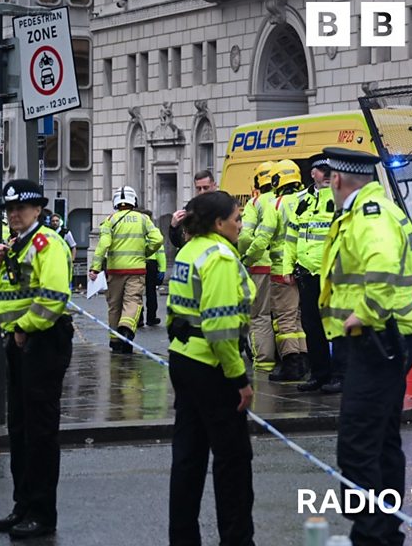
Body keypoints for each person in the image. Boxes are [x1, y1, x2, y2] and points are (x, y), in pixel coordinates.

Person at [319, 147, 412, 546]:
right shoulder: (376, 209)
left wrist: (365, 312)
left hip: (375, 340)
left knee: (358, 444)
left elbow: (382, 263)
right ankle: (383, 532)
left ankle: (371, 536)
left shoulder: (370, 214)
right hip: (384, 340)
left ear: (336, 179)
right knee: (381, 442)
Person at [0, 179, 73, 539]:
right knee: (19, 430)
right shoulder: (14, 246)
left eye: (21, 208)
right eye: (10, 210)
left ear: (38, 209)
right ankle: (23, 505)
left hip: (42, 340)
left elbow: (54, 296)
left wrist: (23, 327)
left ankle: (42, 512)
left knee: (40, 432)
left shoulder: (45, 243)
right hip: (19, 341)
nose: (14, 214)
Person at [166, 191, 255, 546]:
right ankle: (236, 540)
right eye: (237, 219)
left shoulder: (189, 250)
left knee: (188, 457)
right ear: (219, 223)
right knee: (233, 460)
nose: (240, 225)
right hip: (212, 365)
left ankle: (183, 538)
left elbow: (176, 313)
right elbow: (220, 328)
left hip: (183, 358)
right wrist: (239, 378)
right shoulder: (219, 257)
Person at [286, 155, 340, 393]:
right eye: (321, 170)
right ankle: (319, 374)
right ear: (312, 173)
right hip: (307, 273)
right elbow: (291, 237)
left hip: (332, 275)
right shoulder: (302, 201)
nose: (326, 174)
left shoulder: (339, 200)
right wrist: (287, 267)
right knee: (312, 326)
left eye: (329, 170)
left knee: (336, 326)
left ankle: (339, 376)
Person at [89, 186, 164, 354]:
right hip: (136, 270)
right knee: (132, 301)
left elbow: (103, 245)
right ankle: (127, 328)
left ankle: (115, 341)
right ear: (134, 201)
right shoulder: (143, 219)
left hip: (115, 271)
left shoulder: (110, 219)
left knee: (114, 305)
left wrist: (94, 268)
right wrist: (146, 252)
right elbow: (157, 239)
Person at [266, 159, 309, 382]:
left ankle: (291, 363)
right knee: (298, 317)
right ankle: (303, 360)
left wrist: (248, 256)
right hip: (303, 268)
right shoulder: (307, 199)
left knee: (284, 318)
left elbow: (265, 235)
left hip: (281, 269)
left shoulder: (277, 204)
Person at [239, 162, 279, 373]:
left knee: (260, 315)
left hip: (260, 266)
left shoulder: (255, 203)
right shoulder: (287, 200)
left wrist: (246, 255)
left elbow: (245, 236)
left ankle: (264, 361)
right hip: (285, 267)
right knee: (287, 316)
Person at [168, 169, 217, 249]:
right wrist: (174, 226)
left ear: (214, 186)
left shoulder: (223, 205)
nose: (202, 192)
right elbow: (178, 242)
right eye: (199, 188)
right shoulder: (191, 207)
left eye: (206, 188)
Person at [138, 208, 167, 327]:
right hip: (151, 264)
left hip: (139, 262)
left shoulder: (136, 232)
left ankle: (138, 319)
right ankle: (151, 318)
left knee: (136, 292)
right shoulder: (153, 231)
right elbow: (160, 251)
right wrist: (162, 268)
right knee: (151, 292)